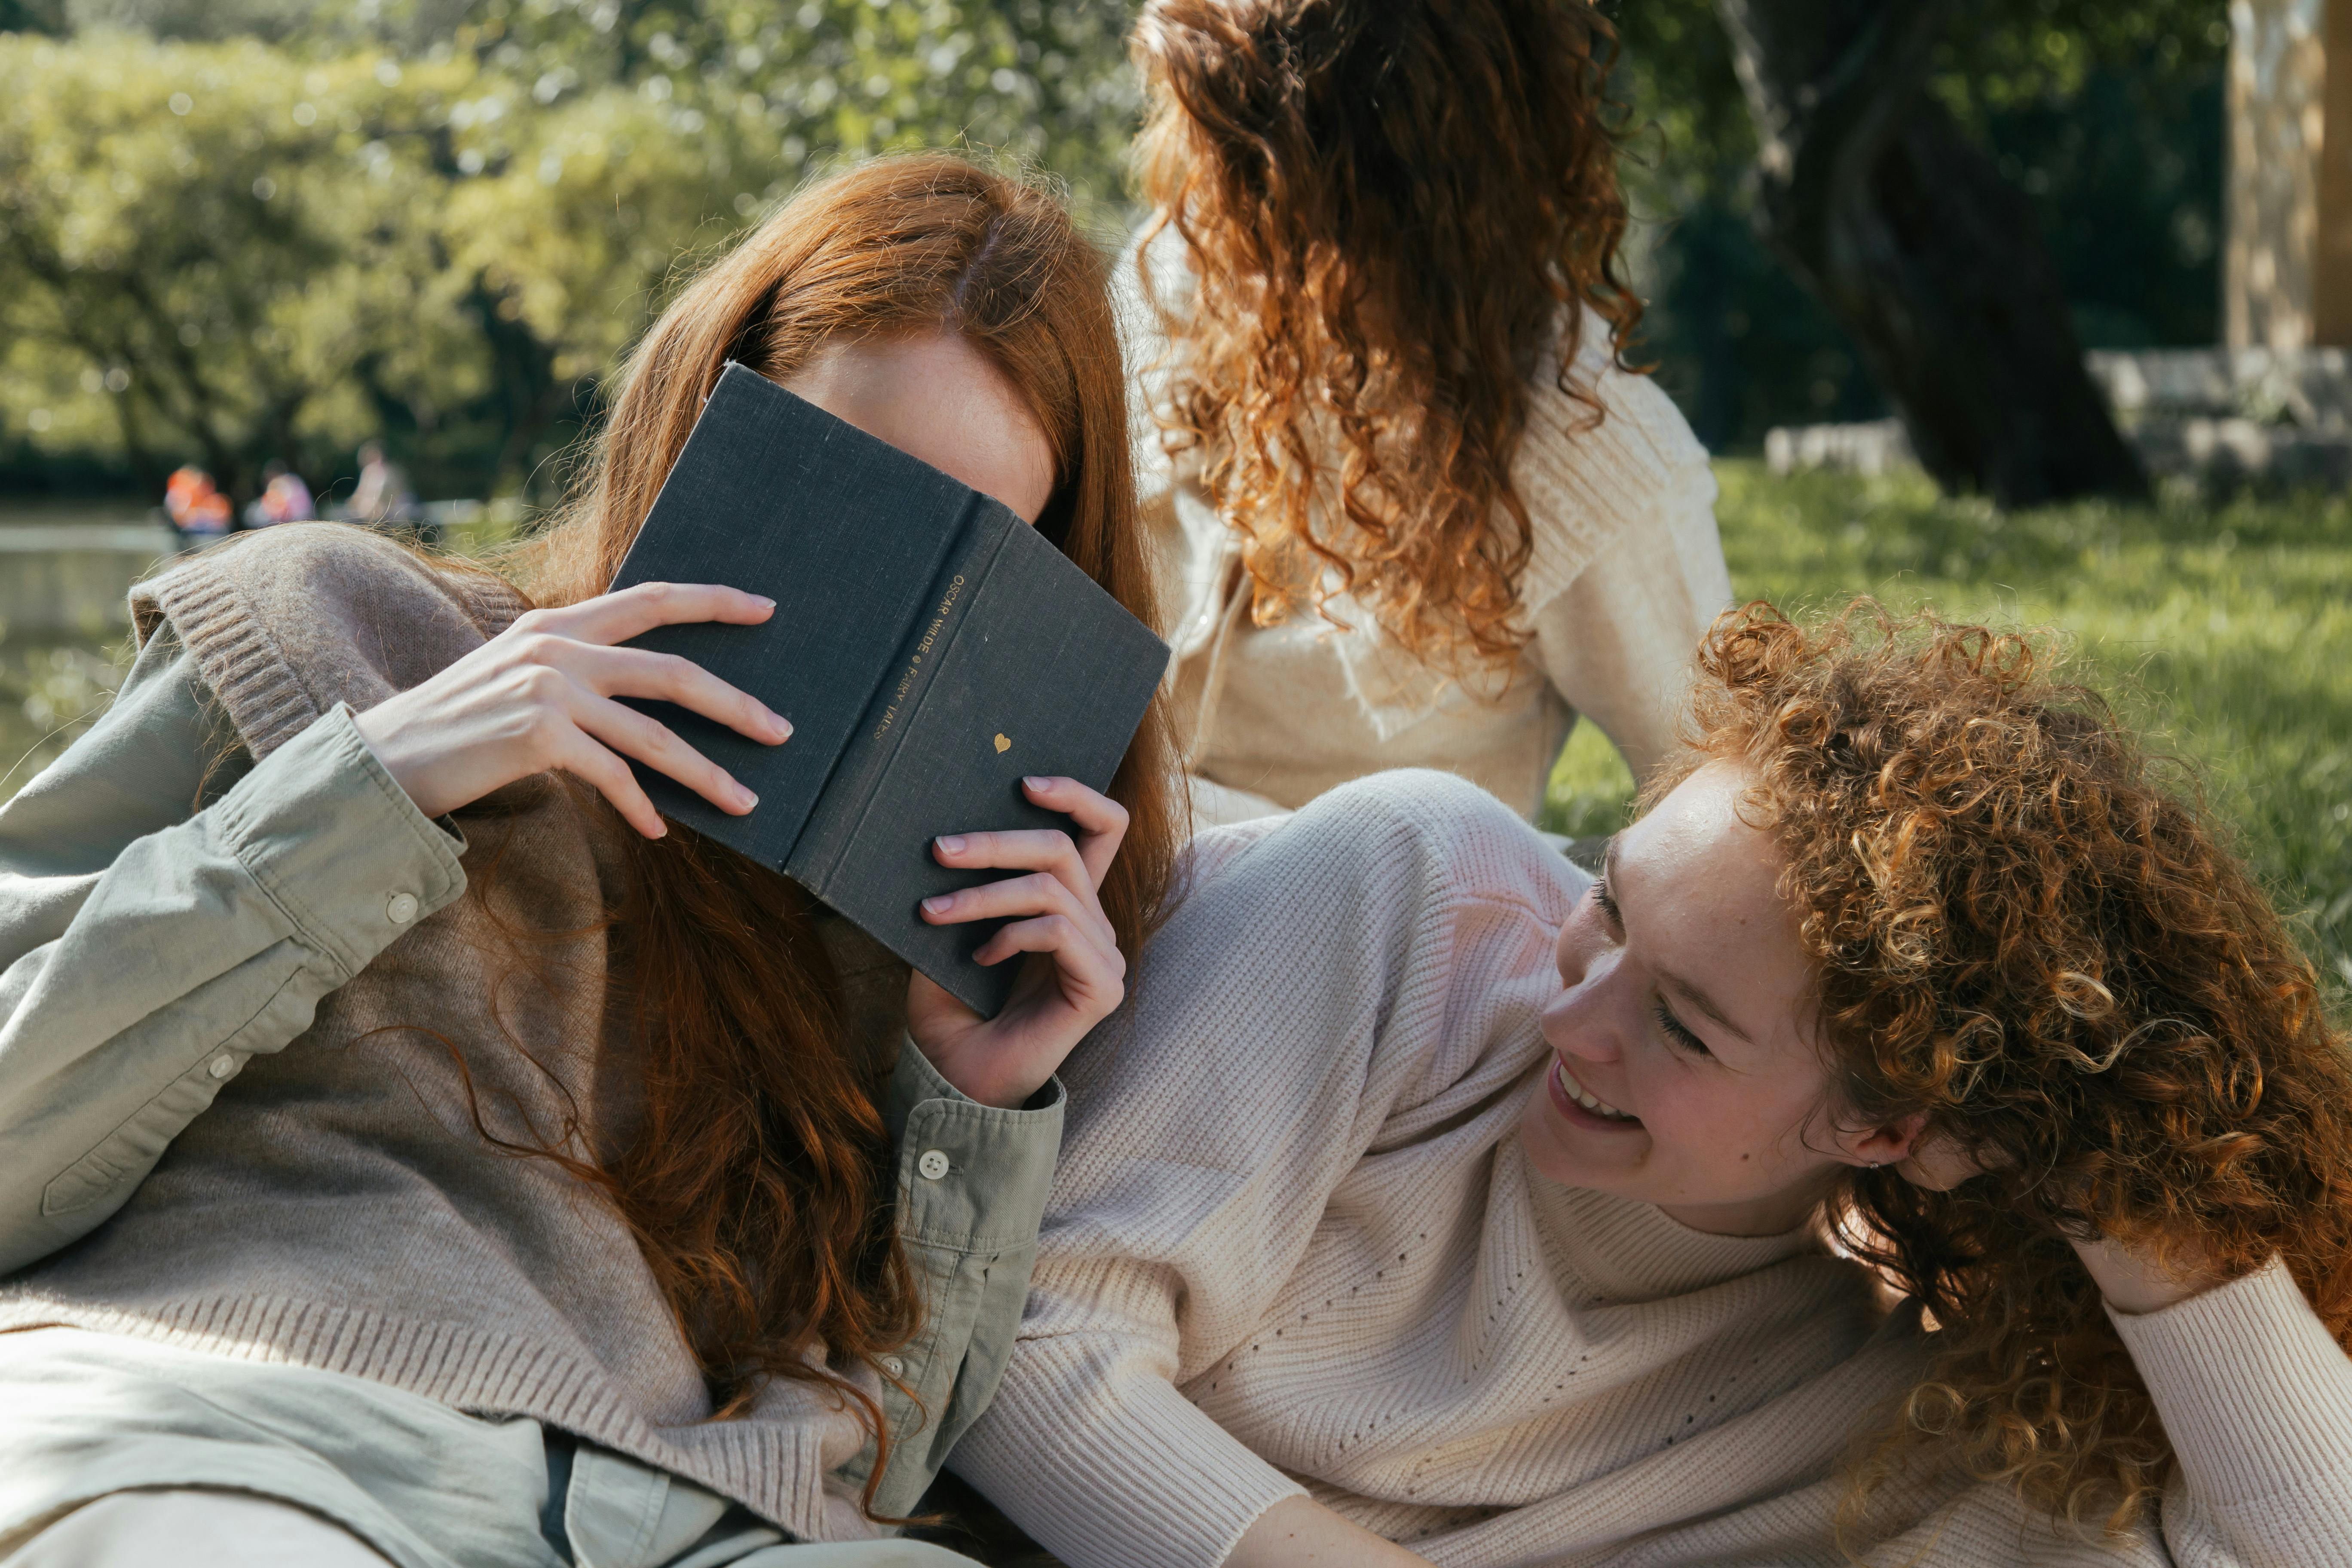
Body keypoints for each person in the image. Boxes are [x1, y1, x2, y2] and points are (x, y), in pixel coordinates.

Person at [0, 153, 1177, 1568]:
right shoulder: (342, 626)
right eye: (843, 495)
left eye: (967, 553)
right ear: (703, 421)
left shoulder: (906, 899)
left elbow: (869, 1455)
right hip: (244, 1423)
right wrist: (381, 780)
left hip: (670, 1517)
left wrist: (973, 1107)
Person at [949, 604, 2352, 1568]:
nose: (1573, 1012)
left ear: (1885, 1124)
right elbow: (1016, 1334)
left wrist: (2144, 1205)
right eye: (1612, 902)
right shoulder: (1410, 894)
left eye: (1680, 1025)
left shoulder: (1900, 1389)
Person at [1125, 0, 1733, 830]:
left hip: (1351, 933)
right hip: (1071, 878)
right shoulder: (1177, 278)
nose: (1212, 198)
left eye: (1252, 164)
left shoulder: (1589, 447)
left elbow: (1725, 813)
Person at [345, 440, 416, 528]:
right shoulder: (368, 472)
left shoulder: (388, 473)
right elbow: (359, 494)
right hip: (371, 511)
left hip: (388, 512)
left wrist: (365, 511)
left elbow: (384, 498)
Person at [162, 464, 231, 537]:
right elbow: (181, 518)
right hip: (191, 533)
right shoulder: (179, 495)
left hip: (213, 532)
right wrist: (202, 514)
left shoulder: (215, 499)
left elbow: (225, 517)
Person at [243, 459, 316, 527]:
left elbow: (281, 509)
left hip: (295, 521)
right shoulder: (296, 480)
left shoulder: (278, 484)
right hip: (308, 517)